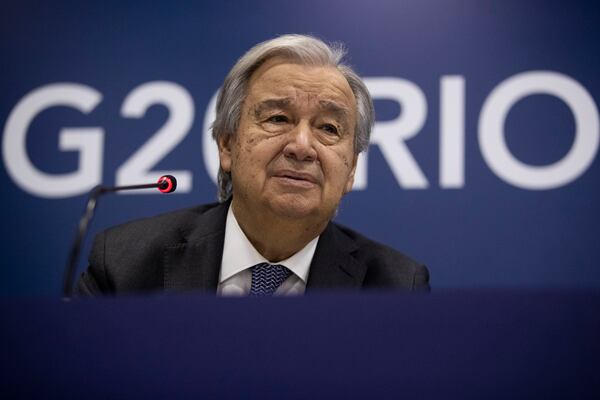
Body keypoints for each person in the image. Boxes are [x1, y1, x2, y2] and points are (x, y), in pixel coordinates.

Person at [76, 34, 429, 296]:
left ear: (351, 168)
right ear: (226, 144)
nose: (302, 147)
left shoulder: (396, 288)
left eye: (328, 128)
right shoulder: (126, 265)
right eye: (277, 118)